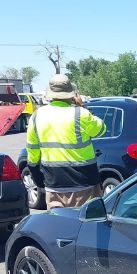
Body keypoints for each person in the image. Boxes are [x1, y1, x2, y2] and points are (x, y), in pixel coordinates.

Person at [26, 74, 107, 209]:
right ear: (71, 94)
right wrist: (83, 107)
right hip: (84, 183)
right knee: (87, 227)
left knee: (59, 227)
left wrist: (39, 181)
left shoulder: (37, 116)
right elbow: (101, 129)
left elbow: (32, 153)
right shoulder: (80, 113)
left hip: (54, 184)